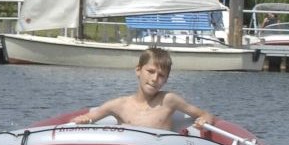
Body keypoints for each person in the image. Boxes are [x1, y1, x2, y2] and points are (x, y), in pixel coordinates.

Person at [70, 46, 215, 131]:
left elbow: (205, 114)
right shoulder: (118, 105)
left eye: (161, 75)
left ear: (166, 80)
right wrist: (83, 120)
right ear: (138, 70)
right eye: (150, 71)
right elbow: (86, 119)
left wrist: (204, 120)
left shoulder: (169, 100)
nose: (154, 79)